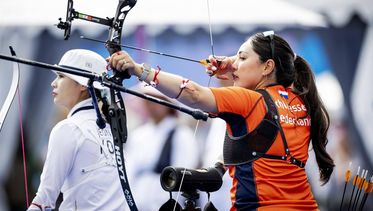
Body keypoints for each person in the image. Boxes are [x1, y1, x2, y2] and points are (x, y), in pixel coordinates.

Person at [108, 31, 335, 210]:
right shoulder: (299, 101)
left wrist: (140, 71)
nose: (234, 63)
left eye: (242, 57)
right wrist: (237, 66)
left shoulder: (250, 100)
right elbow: (256, 143)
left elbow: (194, 94)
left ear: (267, 67)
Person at [28, 49, 128, 210]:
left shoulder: (69, 128)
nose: (53, 83)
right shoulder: (109, 127)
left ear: (82, 84)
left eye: (61, 76)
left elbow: (44, 200)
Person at [124, 84, 199, 211]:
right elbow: (129, 172)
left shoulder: (181, 134)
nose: (150, 105)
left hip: (164, 202)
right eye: (147, 100)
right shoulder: (138, 135)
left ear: (168, 104)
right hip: (137, 201)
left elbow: (184, 175)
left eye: (155, 101)